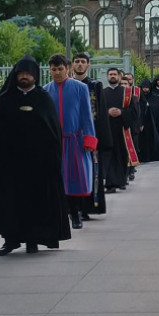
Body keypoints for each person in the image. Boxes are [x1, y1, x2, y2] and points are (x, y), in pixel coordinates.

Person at [0, 54, 71, 255]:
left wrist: (50, 156)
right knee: (10, 204)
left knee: (35, 203)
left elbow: (53, 131)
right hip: (11, 165)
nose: (24, 77)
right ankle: (10, 241)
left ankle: (33, 240)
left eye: (28, 74)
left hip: (37, 165)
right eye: (21, 73)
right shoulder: (5, 99)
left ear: (35, 76)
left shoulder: (43, 99)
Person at [43, 54, 97, 230]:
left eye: (60, 69)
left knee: (75, 179)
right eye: (54, 69)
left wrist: (89, 138)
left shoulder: (80, 88)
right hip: (53, 143)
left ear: (67, 68)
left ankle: (76, 214)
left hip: (75, 141)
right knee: (56, 180)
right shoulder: (45, 90)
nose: (57, 72)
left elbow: (86, 115)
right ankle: (59, 215)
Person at [71, 52, 111, 219]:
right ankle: (72, 208)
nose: (80, 64)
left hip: (89, 136)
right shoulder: (68, 85)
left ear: (88, 65)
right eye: (77, 61)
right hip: (71, 137)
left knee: (89, 172)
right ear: (72, 65)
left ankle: (87, 208)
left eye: (83, 62)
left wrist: (99, 140)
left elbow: (101, 113)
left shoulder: (95, 86)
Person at [101, 68, 139, 192]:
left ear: (119, 76)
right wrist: (107, 112)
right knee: (109, 157)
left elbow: (134, 112)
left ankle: (121, 180)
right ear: (107, 77)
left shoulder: (127, 93)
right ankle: (110, 184)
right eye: (110, 74)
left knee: (121, 156)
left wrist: (121, 112)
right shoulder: (102, 93)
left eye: (114, 74)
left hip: (122, 130)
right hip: (107, 130)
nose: (112, 76)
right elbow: (97, 111)